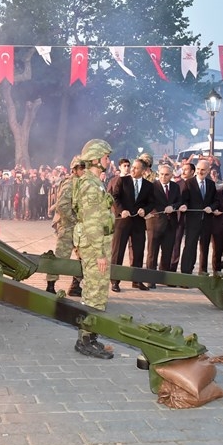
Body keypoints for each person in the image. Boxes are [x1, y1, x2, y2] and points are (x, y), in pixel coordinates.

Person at [72, 138, 115, 359]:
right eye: (106, 157)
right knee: (93, 291)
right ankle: (85, 340)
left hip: (97, 243)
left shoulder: (95, 182)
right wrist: (99, 254)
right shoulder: (90, 185)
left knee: (98, 291)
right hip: (94, 245)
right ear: (96, 159)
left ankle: (91, 336)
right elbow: (91, 222)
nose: (109, 161)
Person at [109, 158, 152, 291]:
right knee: (118, 251)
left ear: (143, 171)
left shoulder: (148, 185)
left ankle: (137, 280)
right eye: (132, 167)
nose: (132, 169)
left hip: (138, 223)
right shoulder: (122, 181)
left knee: (138, 252)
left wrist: (145, 210)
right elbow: (115, 197)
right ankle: (115, 281)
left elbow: (151, 202)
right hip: (123, 221)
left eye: (136, 168)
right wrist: (122, 210)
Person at [45, 156, 84, 296]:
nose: (84, 171)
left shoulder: (83, 183)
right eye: (81, 168)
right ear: (74, 169)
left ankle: (75, 285)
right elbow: (62, 206)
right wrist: (74, 220)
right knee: (61, 258)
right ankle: (50, 286)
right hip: (68, 226)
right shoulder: (69, 184)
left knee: (84, 257)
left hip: (80, 228)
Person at [179, 159, 217, 274]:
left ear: (208, 170)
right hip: (192, 221)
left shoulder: (211, 184)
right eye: (199, 169)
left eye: (203, 170)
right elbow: (184, 199)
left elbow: (216, 201)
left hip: (207, 221)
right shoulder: (189, 183)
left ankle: (203, 271)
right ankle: (186, 272)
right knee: (190, 246)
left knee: (205, 247)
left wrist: (211, 207)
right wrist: (184, 206)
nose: (200, 172)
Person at [146, 164, 182, 278]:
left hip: (171, 225)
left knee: (167, 252)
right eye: (161, 174)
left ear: (171, 175)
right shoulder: (152, 186)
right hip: (155, 224)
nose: (163, 177)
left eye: (166, 175)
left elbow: (179, 201)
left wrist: (173, 207)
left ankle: (163, 277)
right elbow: (149, 203)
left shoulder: (175, 187)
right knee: (152, 253)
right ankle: (151, 278)